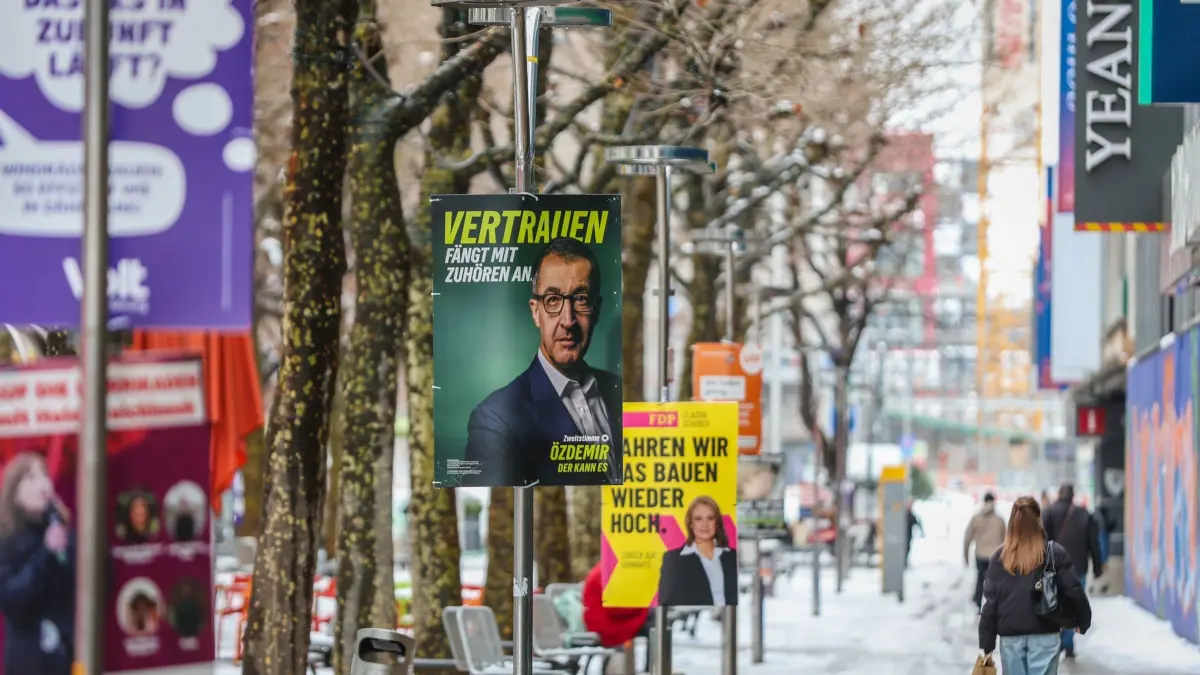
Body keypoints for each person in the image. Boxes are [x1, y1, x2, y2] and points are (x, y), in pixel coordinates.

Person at [464, 237, 622, 486]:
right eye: (553, 300)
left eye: (580, 299)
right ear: (535, 311)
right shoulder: (496, 418)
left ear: (597, 309)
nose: (567, 320)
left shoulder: (620, 392)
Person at [979, 496, 1091, 675]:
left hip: (1010, 637)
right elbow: (1073, 590)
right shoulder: (1054, 553)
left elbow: (991, 603)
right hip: (1045, 633)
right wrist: (1082, 620)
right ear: (1039, 520)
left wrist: (987, 643)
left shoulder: (1000, 557)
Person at [0, 452, 75, 675]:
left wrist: (75, 537)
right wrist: (46, 554)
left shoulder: (60, 531)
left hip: (68, 658)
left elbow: (99, 583)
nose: (42, 482)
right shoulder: (6, 542)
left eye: (44, 474)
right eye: (31, 477)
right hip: (29, 663)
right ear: (15, 495)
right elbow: (14, 601)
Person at [1041, 482, 1103, 659]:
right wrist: (1097, 567)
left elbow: (1041, 541)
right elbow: (1094, 543)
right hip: (1078, 568)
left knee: (1053, 602)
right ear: (1073, 495)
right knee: (1073, 603)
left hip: (1053, 567)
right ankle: (1067, 641)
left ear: (1059, 494)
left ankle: (1056, 638)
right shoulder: (1084, 515)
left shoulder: (1048, 512)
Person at [657, 496, 738, 606]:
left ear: (717, 523)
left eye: (710, 518)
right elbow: (666, 602)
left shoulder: (733, 557)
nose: (705, 524)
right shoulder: (673, 560)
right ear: (691, 524)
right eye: (698, 519)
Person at [964, 492, 1007, 609]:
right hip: (995, 556)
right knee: (994, 582)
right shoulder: (999, 520)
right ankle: (992, 605)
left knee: (980, 579)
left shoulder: (976, 518)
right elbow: (1007, 540)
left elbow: (967, 537)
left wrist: (966, 556)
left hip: (980, 555)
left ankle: (977, 602)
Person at [905, 500, 924, 567]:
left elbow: (917, 523)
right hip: (903, 536)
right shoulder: (903, 515)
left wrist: (922, 532)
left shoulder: (911, 515)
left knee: (907, 549)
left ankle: (905, 562)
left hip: (908, 536)